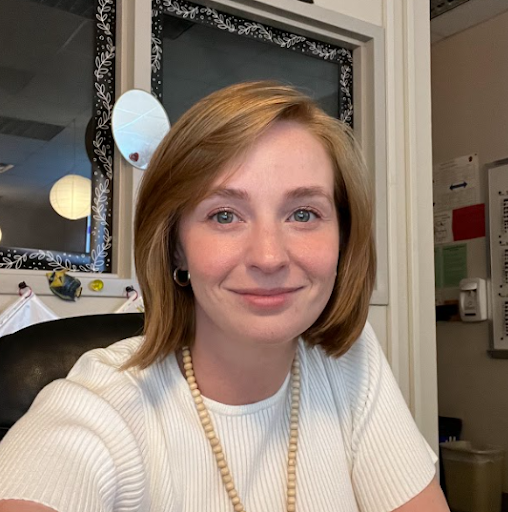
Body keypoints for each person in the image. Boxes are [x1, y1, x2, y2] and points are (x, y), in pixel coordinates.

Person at [0, 81, 449, 512]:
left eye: (304, 213)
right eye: (225, 215)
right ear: (176, 245)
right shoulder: (99, 407)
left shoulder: (351, 360)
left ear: (343, 239)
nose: (269, 256)